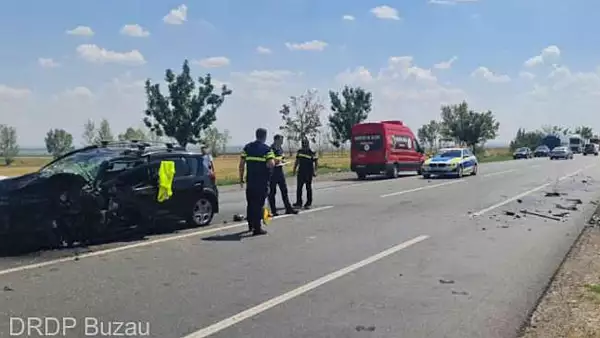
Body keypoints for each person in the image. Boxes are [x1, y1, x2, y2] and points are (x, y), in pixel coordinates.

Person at [239, 128, 275, 235]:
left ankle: (251, 225)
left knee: (250, 203)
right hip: (261, 181)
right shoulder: (267, 149)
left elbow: (241, 164)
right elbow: (271, 164)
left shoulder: (247, 147)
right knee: (259, 204)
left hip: (250, 180)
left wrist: (241, 178)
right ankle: (257, 228)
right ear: (264, 136)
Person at [268, 134, 298, 216]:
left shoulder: (280, 148)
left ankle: (288, 208)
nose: (282, 142)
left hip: (280, 172)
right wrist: (278, 161)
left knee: (284, 190)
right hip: (272, 173)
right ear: (276, 140)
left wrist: (284, 161)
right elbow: (271, 160)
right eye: (281, 140)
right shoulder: (270, 149)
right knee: (272, 192)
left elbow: (282, 158)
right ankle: (273, 210)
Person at [293, 138, 318, 209]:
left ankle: (308, 203)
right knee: (299, 188)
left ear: (308, 143)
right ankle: (299, 202)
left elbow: (316, 163)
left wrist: (315, 171)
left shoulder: (312, 151)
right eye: (303, 143)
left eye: (305, 143)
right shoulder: (299, 151)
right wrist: (294, 169)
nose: (304, 145)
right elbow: (297, 161)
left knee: (308, 188)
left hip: (309, 172)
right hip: (301, 172)